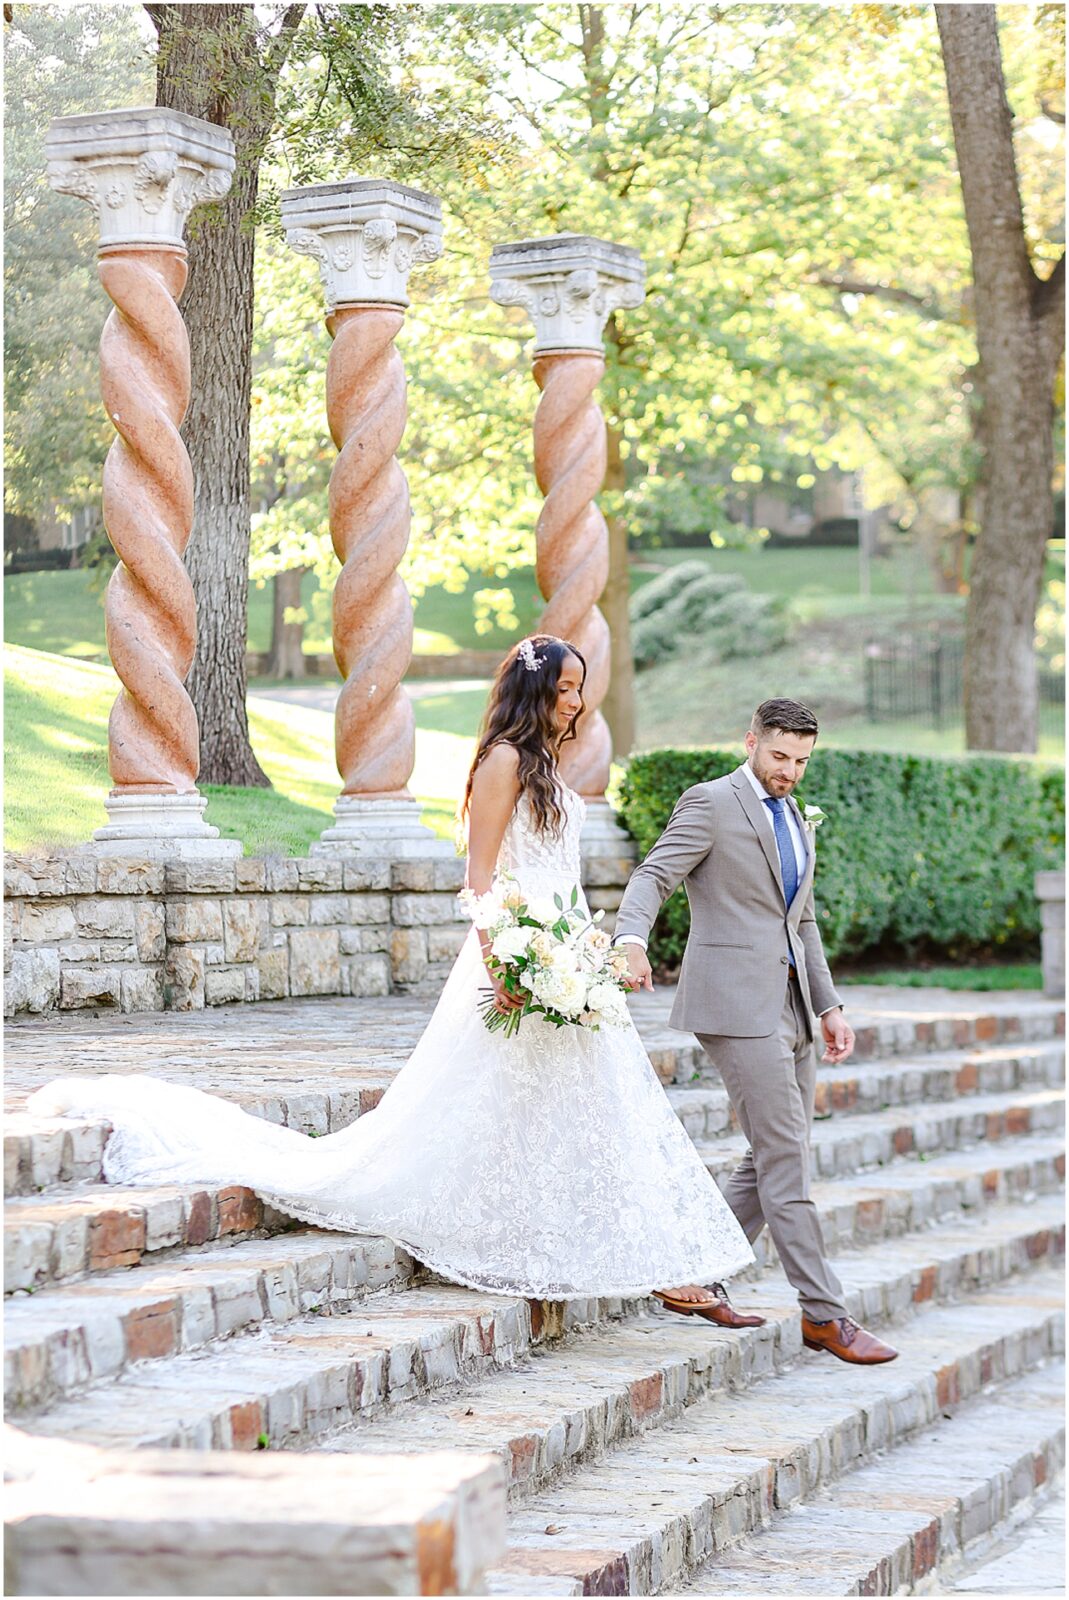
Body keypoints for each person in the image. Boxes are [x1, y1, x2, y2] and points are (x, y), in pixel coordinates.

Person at [28, 636, 754, 1310]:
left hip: (567, 956)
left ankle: (646, 1260)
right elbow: (480, 878)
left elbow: (555, 872)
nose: (574, 701)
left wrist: (585, 952)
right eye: (563, 688)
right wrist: (509, 960)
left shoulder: (547, 766)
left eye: (579, 689)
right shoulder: (502, 761)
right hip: (519, 957)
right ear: (531, 691)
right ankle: (629, 1261)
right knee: (525, 1098)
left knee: (590, 1101)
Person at [614, 697, 898, 1365]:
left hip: (792, 1008)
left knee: (771, 1152)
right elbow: (655, 874)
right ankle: (824, 1316)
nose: (788, 772)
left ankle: (692, 1271)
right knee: (785, 1162)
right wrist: (630, 938)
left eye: (800, 761)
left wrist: (827, 1006)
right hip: (734, 1006)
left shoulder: (795, 813)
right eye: (778, 757)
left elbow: (800, 920)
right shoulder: (710, 802)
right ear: (750, 742)